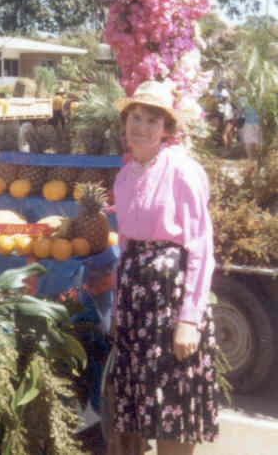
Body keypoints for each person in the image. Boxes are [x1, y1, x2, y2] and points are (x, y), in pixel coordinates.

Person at [110, 80, 219, 455]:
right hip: (135, 308)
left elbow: (201, 248)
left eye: (151, 120)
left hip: (170, 306)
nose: (140, 127)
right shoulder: (124, 177)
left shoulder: (182, 171)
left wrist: (189, 318)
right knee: (140, 410)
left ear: (166, 130)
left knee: (173, 409)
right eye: (134, 118)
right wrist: (117, 310)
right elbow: (124, 247)